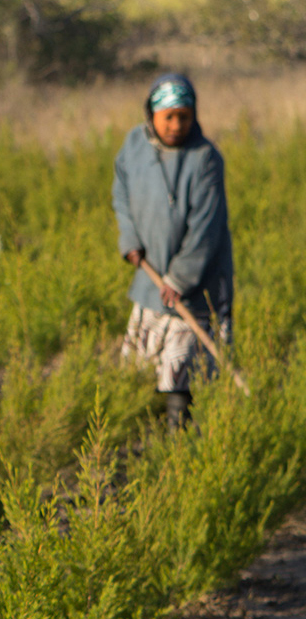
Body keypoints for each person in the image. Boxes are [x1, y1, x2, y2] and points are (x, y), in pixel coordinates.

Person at [112, 73, 233, 430]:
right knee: (143, 366)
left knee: (182, 368)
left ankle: (178, 435)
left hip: (195, 284)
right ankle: (140, 434)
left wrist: (180, 277)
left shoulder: (205, 158)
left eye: (185, 115)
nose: (177, 125)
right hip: (150, 277)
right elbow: (121, 193)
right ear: (152, 115)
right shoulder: (135, 145)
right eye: (169, 116)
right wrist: (130, 240)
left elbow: (207, 228)